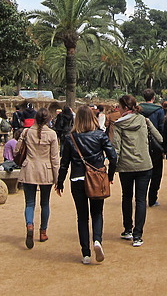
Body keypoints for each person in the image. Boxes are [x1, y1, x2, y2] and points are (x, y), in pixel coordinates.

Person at [56, 106, 118, 265]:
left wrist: (60, 182)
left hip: (77, 179)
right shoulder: (100, 135)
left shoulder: (71, 137)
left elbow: (64, 163)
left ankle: (85, 253)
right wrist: (109, 175)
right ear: (93, 118)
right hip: (96, 179)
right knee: (97, 213)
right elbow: (113, 156)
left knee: (82, 217)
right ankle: (97, 240)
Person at [111, 94, 163, 247]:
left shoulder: (118, 125)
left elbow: (117, 148)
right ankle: (138, 235)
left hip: (126, 166)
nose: (118, 109)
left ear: (125, 108)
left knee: (126, 197)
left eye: (119, 107)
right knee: (141, 200)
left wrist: (112, 167)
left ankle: (127, 229)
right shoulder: (144, 120)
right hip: (144, 164)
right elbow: (159, 138)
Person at [17, 108, 60, 248]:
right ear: (48, 120)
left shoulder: (27, 132)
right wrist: (57, 178)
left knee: (30, 203)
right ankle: (43, 232)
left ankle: (30, 225)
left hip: (29, 168)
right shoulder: (52, 134)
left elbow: (16, 150)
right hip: (46, 171)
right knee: (45, 203)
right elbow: (54, 158)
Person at [139, 88, 165, 207]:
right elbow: (161, 127)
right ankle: (152, 198)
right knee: (157, 172)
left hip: (141, 143)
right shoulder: (159, 110)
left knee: (142, 172)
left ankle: (141, 199)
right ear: (153, 98)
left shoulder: (138, 109)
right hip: (156, 145)